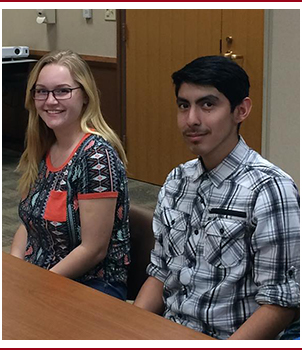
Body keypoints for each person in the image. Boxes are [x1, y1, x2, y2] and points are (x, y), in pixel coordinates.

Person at [134, 56, 300, 339]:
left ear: (241, 110)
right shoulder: (177, 180)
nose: (192, 120)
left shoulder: (269, 189)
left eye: (208, 105)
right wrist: (129, 330)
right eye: (184, 106)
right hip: (170, 331)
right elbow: (160, 273)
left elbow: (280, 303)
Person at [10, 50, 130, 301]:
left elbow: (93, 250)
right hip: (43, 277)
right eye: (41, 91)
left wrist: (34, 286)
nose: (50, 100)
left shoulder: (96, 156)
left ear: (85, 95)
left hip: (90, 286)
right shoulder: (43, 147)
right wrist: (14, 272)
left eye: (62, 90)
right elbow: (27, 224)